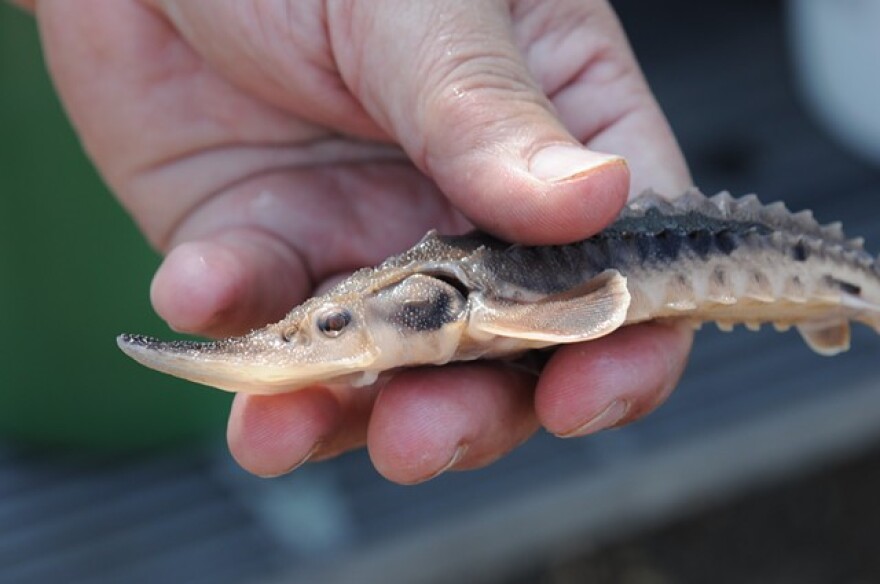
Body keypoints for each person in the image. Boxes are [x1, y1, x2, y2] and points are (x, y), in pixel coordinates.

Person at [13, 0, 692, 483]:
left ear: (445, 300)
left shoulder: (490, 304)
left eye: (334, 324)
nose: (327, 335)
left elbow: (597, 305)